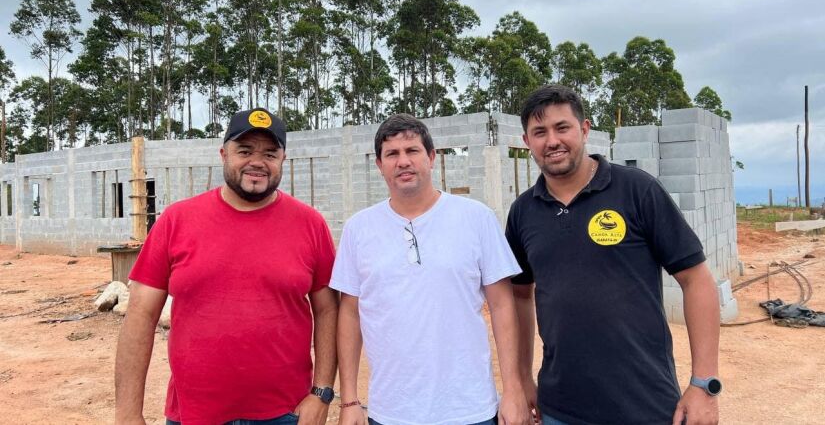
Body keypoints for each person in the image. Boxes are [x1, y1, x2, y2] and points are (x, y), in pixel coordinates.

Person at [507, 85, 721, 425]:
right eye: (539, 132)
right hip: (560, 409)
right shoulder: (523, 212)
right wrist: (519, 381)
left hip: (645, 405)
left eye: (562, 127)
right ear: (526, 141)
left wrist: (703, 385)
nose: (552, 141)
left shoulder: (637, 190)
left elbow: (697, 281)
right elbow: (519, 295)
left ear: (585, 129)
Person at [115, 108, 339, 425]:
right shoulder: (176, 221)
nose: (257, 162)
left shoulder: (310, 225)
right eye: (245, 150)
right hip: (194, 414)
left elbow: (329, 309)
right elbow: (140, 314)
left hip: (286, 414)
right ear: (223, 154)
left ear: (282, 160)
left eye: (270, 153)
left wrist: (322, 393)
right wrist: (127, 414)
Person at [332, 114, 531, 425]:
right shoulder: (359, 228)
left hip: (470, 409)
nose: (403, 161)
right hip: (391, 412)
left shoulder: (476, 218)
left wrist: (514, 390)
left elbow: (502, 304)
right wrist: (349, 401)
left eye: (412, 151)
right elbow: (350, 313)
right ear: (380, 165)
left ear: (432, 157)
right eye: (392, 154)